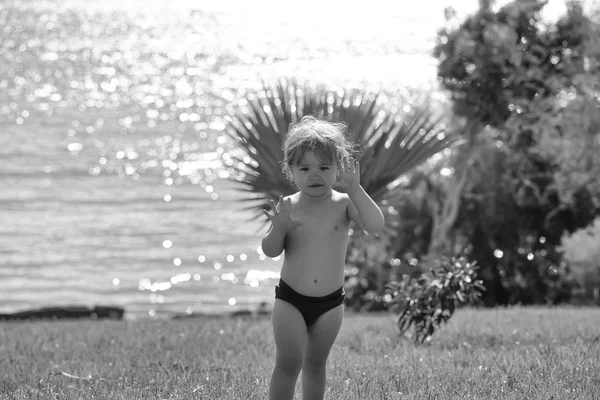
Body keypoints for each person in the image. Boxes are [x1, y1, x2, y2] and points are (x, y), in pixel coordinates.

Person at [262, 116, 385, 400]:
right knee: (288, 363)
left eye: (324, 167)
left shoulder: (344, 203)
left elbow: (375, 224)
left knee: (316, 365)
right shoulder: (289, 207)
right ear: (291, 170)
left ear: (339, 168)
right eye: (304, 168)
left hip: (330, 305)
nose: (314, 175)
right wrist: (278, 229)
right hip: (291, 300)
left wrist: (355, 189)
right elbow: (270, 250)